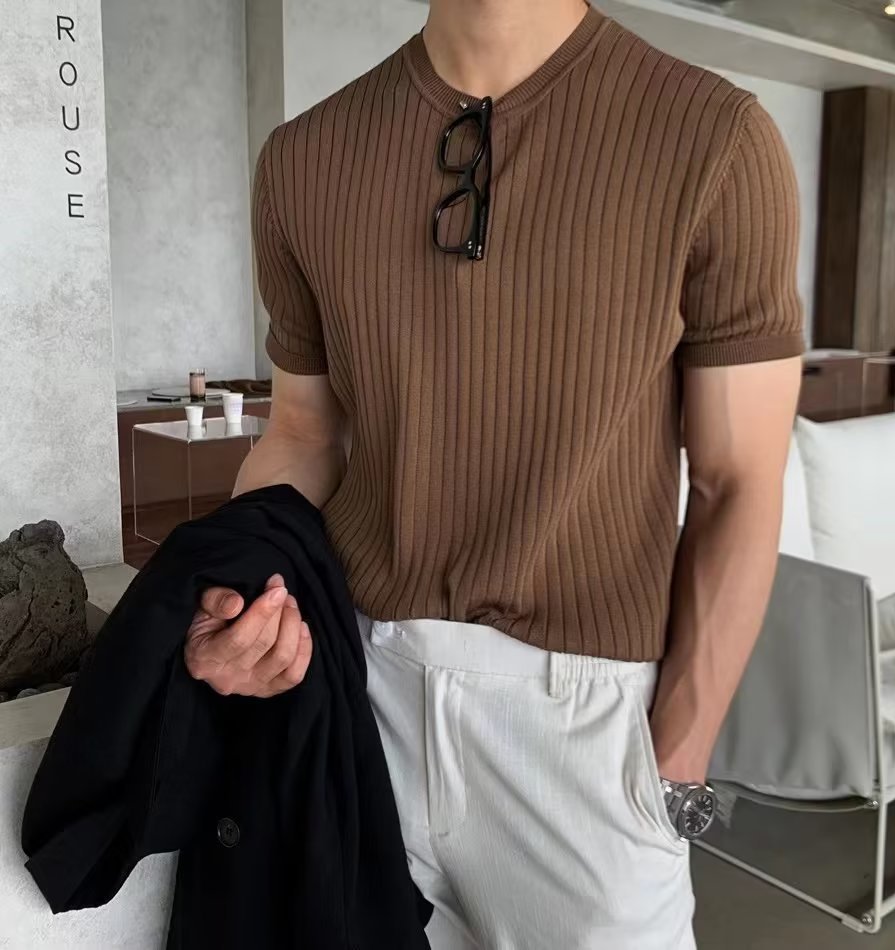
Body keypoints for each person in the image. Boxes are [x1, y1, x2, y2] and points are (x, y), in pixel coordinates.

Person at [183, 1, 804, 946]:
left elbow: (739, 482)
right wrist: (241, 600)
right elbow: (305, 433)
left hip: (586, 729)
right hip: (360, 696)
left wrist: (674, 763)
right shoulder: (304, 157)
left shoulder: (714, 139)